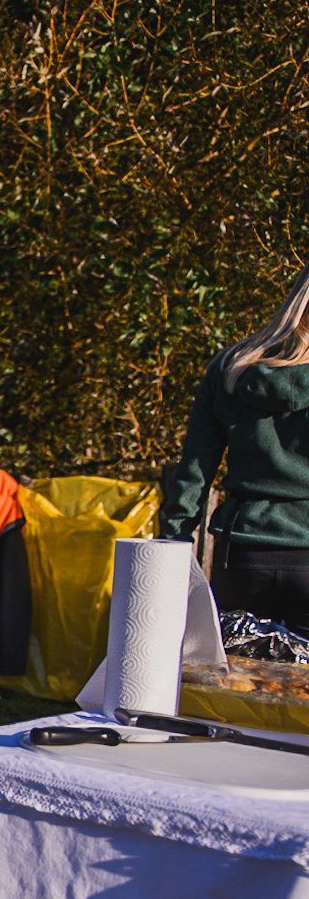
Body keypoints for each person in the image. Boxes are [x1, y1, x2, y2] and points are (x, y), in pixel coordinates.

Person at [163, 265, 309, 631]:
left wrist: (172, 542)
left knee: (237, 667)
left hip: (241, 554)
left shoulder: (231, 368)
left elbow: (194, 471)